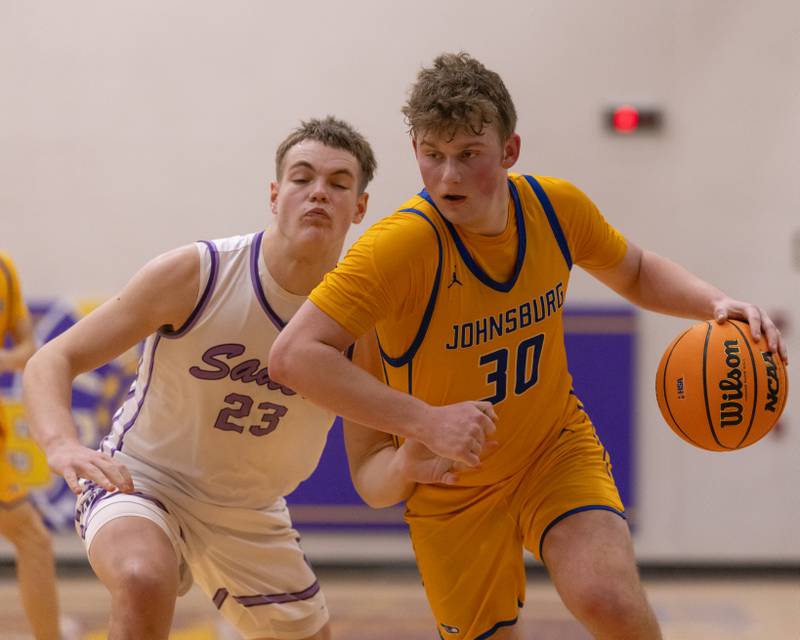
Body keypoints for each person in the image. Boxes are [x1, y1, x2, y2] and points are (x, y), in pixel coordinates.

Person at [268, 54, 788, 640]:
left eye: (469, 155)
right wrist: (426, 424)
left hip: (551, 450)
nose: (448, 176)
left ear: (509, 150)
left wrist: (715, 303)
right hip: (453, 488)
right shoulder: (397, 250)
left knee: (609, 601)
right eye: (433, 155)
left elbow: (637, 270)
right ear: (414, 148)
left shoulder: (554, 208)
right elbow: (292, 356)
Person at [22, 117, 476, 640]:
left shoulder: (366, 324)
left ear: (360, 207)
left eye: (338, 183)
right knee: (143, 577)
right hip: (145, 479)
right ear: (275, 194)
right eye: (302, 178)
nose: (318, 193)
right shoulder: (198, 273)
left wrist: (408, 462)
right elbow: (51, 360)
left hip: (251, 512)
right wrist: (60, 444)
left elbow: (372, 481)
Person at [0, 251, 61, 640]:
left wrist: (5, 359)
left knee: (33, 538)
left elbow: (28, 349)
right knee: (32, 537)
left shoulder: (5, 270)